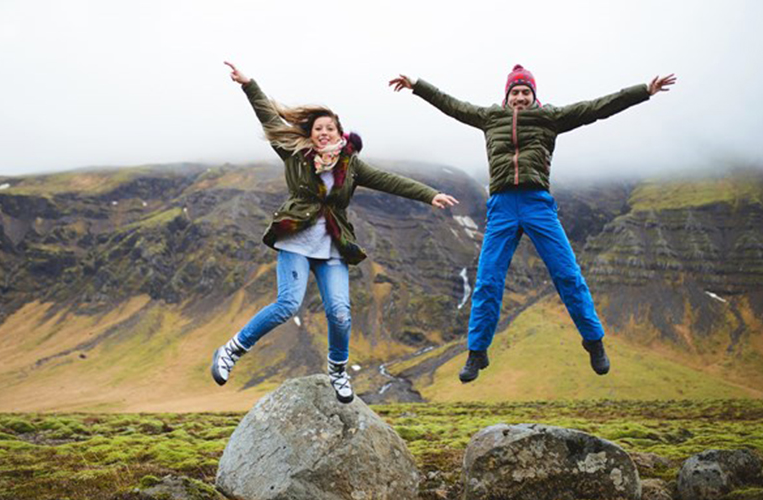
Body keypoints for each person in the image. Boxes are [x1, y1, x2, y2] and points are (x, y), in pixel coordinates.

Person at [389, 65, 675, 382]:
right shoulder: (489, 117)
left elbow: (596, 108)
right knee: (488, 281)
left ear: (533, 95)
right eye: (515, 92)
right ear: (507, 95)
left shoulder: (549, 117)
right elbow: (451, 105)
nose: (521, 97)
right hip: (501, 208)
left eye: (526, 92)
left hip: (537, 204)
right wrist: (417, 85)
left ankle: (594, 341)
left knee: (567, 274)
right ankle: (477, 352)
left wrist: (644, 91)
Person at [212, 62, 459, 403]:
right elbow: (269, 118)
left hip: (331, 247)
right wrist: (249, 84)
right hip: (295, 241)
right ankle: (231, 350)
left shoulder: (350, 164)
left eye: (329, 128)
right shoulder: (295, 154)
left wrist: (429, 194)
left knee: (340, 313)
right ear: (310, 133)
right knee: (287, 305)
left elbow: (389, 180)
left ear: (339, 132)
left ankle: (338, 371)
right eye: (318, 128)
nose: (324, 132)